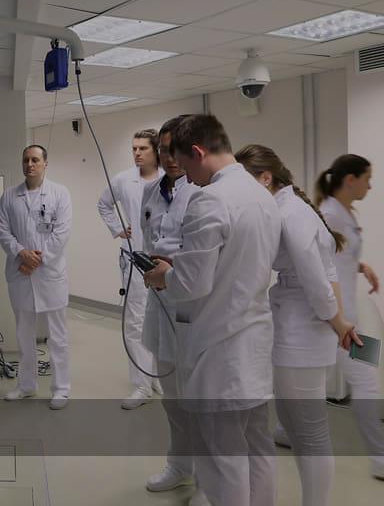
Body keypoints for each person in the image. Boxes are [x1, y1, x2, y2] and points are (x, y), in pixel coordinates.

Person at [143, 114, 280, 506]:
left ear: (198, 152)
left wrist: (164, 275)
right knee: (257, 449)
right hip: (253, 342)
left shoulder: (211, 198)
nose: (185, 173)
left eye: (185, 163)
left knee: (223, 460)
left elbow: (191, 284)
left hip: (220, 348)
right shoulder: (260, 193)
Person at [236, 144, 361, 506]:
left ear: (266, 178)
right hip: (299, 325)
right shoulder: (287, 209)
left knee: (311, 434)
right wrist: (339, 320)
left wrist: (338, 321)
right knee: (293, 427)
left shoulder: (292, 214)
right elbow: (328, 271)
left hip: (301, 331)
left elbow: (317, 281)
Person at [312, 154, 384, 481]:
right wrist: (336, 320)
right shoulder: (329, 215)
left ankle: (381, 460)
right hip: (335, 321)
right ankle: (382, 460)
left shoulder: (344, 212)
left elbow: (339, 255)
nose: (370, 186)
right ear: (351, 180)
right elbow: (316, 264)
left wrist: (362, 266)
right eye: (367, 179)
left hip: (349, 319)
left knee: (357, 380)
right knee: (359, 381)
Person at [140, 116, 203, 499]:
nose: (169, 157)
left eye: (175, 150)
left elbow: (205, 255)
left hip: (191, 307)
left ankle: (208, 479)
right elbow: (150, 240)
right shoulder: (151, 192)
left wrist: (171, 265)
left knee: (197, 398)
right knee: (172, 399)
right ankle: (180, 466)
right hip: (159, 302)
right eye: (163, 150)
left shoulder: (202, 192)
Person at [0, 144, 73, 410]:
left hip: (49, 274)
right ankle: (27, 385)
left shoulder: (60, 193)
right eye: (26, 160)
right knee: (23, 334)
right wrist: (21, 254)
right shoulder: (9, 196)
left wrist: (35, 261)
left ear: (45, 163)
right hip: (20, 273)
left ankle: (61, 389)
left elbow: (61, 233)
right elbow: (3, 232)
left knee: (57, 337)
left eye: (35, 160)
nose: (29, 164)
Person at [97, 129, 164, 409]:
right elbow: (104, 204)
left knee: (164, 322)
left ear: (156, 150)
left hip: (165, 262)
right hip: (136, 261)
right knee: (135, 324)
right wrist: (118, 229)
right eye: (134, 148)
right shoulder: (123, 179)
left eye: (142, 148)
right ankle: (141, 385)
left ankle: (157, 376)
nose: (136, 153)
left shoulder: (170, 179)